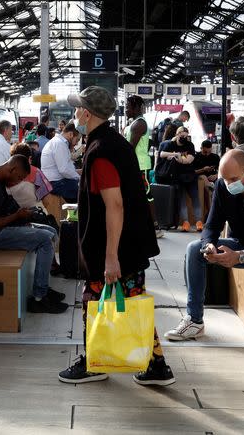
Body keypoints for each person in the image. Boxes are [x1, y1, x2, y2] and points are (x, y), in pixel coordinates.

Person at [59, 86, 174, 386]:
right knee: (133, 299)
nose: (74, 115)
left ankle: (94, 362)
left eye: (77, 109)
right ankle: (157, 365)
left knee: (93, 300)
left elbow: (115, 204)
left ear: (87, 113)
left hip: (113, 247)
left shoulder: (101, 151)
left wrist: (111, 257)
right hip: (129, 243)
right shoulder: (113, 143)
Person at [165, 149, 244, 372]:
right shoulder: (223, 187)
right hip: (240, 243)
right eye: (224, 178)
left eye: (233, 179)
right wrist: (209, 245)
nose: (228, 183)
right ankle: (194, 320)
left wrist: (241, 256)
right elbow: (212, 224)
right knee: (195, 249)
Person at [0, 155, 65, 313]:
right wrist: (17, 216)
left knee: (51, 231)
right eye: (19, 177)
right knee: (45, 240)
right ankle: (39, 297)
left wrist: (22, 217)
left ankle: (44, 287)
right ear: (12, 169)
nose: (18, 181)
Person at [124, 95, 163, 238]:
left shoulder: (138, 124)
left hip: (140, 165)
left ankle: (155, 226)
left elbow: (129, 147)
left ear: (136, 108)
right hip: (135, 165)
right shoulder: (134, 123)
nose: (126, 110)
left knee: (147, 195)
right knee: (138, 194)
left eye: (128, 107)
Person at [160, 126, 202, 232]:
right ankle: (186, 222)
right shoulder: (171, 144)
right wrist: (175, 154)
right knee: (182, 200)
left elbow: (189, 160)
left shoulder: (190, 145)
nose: (183, 137)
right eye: (181, 134)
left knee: (195, 198)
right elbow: (162, 154)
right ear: (177, 134)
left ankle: (199, 222)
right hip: (177, 176)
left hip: (190, 176)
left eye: (185, 135)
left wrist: (179, 159)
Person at [40, 122, 81, 202]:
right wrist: (79, 177)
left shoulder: (59, 143)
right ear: (71, 134)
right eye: (77, 140)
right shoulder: (59, 144)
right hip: (55, 184)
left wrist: (78, 172)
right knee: (85, 189)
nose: (76, 144)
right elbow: (64, 170)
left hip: (56, 182)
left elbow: (65, 168)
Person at [9, 142, 54, 210]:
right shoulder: (36, 172)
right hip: (34, 214)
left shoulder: (5, 171)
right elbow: (46, 200)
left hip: (11, 215)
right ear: (29, 158)